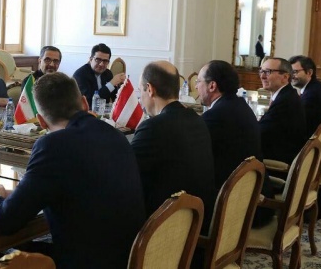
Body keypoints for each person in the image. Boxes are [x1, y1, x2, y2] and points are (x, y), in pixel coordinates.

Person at [0, 72, 146, 268]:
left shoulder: (53, 145)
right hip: (128, 258)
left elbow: (4, 222)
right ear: (84, 103)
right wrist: (15, 195)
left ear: (41, 121)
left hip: (82, 262)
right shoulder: (116, 135)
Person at [131, 61, 215, 228]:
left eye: (140, 91)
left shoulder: (153, 128)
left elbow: (126, 174)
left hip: (168, 227)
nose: (140, 99)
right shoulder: (197, 120)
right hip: (200, 218)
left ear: (150, 89)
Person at [196, 60, 274, 226]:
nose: (196, 87)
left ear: (212, 86)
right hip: (254, 196)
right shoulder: (239, 105)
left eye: (198, 81)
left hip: (242, 208)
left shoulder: (216, 116)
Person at [289, 55, 321, 218]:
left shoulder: (312, 95)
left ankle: (292, 210)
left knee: (285, 154)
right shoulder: (314, 89)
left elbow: (299, 128)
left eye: (295, 72)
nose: (292, 75)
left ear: (309, 72)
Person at [258, 57, 307, 165]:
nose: (262, 76)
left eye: (268, 72)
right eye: (261, 71)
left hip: (280, 159)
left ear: (285, 77)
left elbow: (260, 133)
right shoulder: (287, 94)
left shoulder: (285, 101)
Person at [73, 43, 126, 109]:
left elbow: (115, 98)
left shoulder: (108, 73)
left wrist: (121, 86)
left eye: (105, 61)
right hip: (85, 112)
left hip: (104, 112)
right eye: (98, 60)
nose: (101, 64)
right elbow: (89, 102)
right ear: (91, 59)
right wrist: (111, 84)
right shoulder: (80, 74)